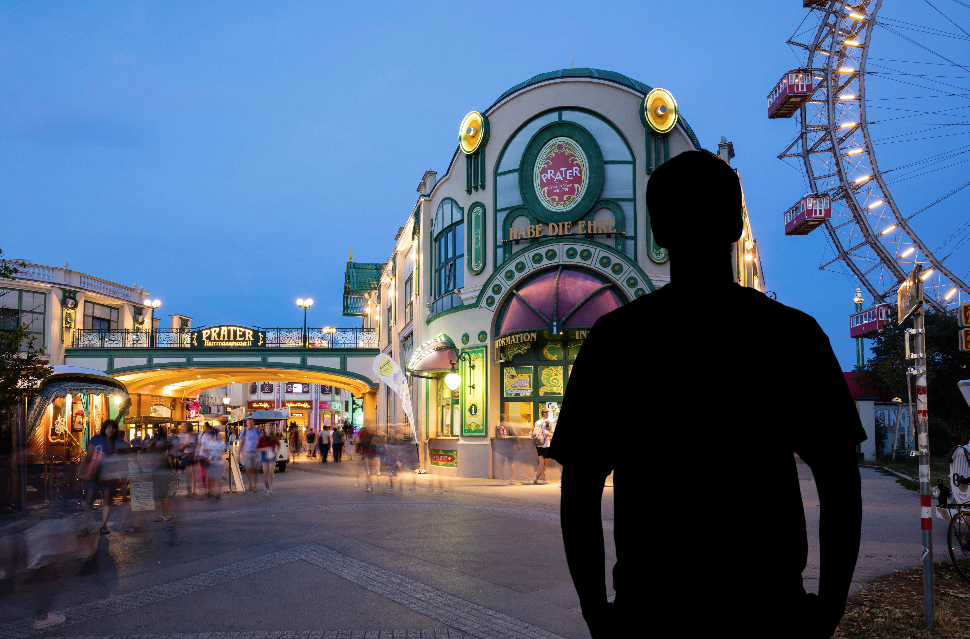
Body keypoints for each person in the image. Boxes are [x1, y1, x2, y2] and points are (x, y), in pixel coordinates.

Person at [551, 151, 865, 638]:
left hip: (651, 611)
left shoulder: (616, 341)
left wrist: (597, 613)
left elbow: (579, 491)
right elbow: (840, 482)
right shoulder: (793, 336)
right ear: (735, 226)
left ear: (658, 232)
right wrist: (828, 609)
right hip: (768, 608)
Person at [79, 419, 122, 535]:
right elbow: (88, 456)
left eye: (113, 428)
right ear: (104, 428)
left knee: (107, 499)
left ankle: (103, 525)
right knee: (89, 500)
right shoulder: (96, 439)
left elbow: (125, 453)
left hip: (110, 474)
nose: (111, 430)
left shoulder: (118, 441)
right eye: (109, 427)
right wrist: (82, 468)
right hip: (95, 473)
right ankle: (84, 526)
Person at [239, 417, 262, 493]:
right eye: (248, 423)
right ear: (246, 424)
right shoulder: (244, 431)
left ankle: (255, 485)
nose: (250, 424)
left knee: (256, 469)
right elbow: (240, 442)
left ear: (253, 423)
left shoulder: (257, 431)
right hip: (247, 453)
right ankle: (249, 483)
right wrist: (239, 453)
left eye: (251, 422)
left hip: (256, 452)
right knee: (248, 469)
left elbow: (261, 440)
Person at [531, 409, 553, 485]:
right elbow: (546, 433)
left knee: (541, 461)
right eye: (547, 414)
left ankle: (537, 477)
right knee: (546, 461)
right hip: (545, 444)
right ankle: (543, 478)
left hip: (538, 443)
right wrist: (552, 435)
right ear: (545, 414)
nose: (548, 415)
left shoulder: (537, 422)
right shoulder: (546, 422)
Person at [258, 426, 280, 495]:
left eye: (270, 428)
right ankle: (266, 485)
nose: (268, 429)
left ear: (271, 430)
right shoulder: (262, 438)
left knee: (271, 472)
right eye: (267, 428)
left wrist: (276, 452)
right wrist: (264, 449)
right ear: (265, 430)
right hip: (264, 454)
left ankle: (270, 487)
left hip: (272, 454)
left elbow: (278, 445)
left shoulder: (274, 438)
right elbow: (258, 448)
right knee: (265, 472)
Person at [179, 424, 199, 497]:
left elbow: (198, 446)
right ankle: (189, 490)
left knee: (193, 473)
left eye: (184, 427)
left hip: (193, 454)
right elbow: (180, 448)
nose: (183, 429)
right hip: (186, 455)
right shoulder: (182, 437)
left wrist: (192, 445)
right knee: (188, 473)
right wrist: (185, 445)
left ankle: (193, 490)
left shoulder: (195, 436)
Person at [356, 425, 376, 491]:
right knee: (370, 469)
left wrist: (358, 450)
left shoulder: (361, 434)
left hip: (364, 452)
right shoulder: (372, 434)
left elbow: (359, 443)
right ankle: (370, 485)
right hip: (371, 453)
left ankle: (368, 485)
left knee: (367, 470)